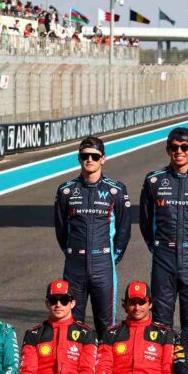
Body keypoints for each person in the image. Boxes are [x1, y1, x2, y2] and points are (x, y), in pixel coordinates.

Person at [54, 135, 132, 337]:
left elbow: (124, 231)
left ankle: (105, 368)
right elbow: (61, 230)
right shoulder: (66, 191)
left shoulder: (116, 190)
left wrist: (109, 258)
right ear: (79, 158)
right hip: (74, 265)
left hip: (103, 264)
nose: (89, 160)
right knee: (73, 325)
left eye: (94, 156)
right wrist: (73, 253)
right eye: (85, 156)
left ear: (103, 159)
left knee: (106, 325)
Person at [140, 127, 188, 329]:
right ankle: (163, 360)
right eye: (174, 147)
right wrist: (158, 246)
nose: (179, 151)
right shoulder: (154, 180)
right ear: (168, 150)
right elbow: (146, 222)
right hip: (163, 255)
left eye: (185, 147)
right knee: (161, 316)